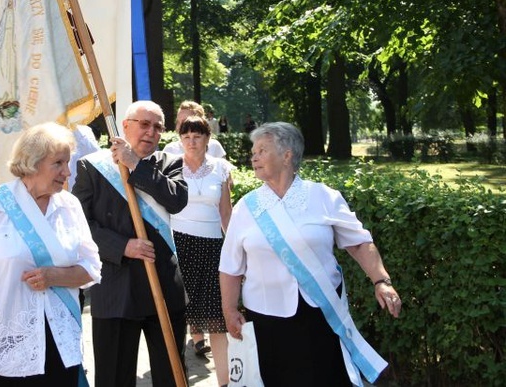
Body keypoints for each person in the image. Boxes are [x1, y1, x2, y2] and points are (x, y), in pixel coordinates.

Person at [220, 122, 401, 386]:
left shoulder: (324, 197)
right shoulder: (246, 208)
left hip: (320, 316)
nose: (254, 157)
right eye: (253, 151)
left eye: (262, 150)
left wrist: (381, 281)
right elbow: (230, 266)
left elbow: (360, 243)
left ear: (287, 155)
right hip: (266, 319)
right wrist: (228, 309)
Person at [0, 122, 102, 385]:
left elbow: (92, 267)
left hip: (59, 344)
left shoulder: (69, 205)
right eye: (59, 163)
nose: (67, 171)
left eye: (68, 162)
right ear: (33, 162)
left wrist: (55, 276)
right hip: (5, 346)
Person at [72, 100, 188, 387]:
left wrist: (135, 164)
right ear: (125, 126)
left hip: (162, 285)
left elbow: (176, 200)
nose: (151, 132)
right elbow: (78, 224)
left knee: (171, 375)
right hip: (115, 287)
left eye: (158, 127)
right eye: (144, 124)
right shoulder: (93, 167)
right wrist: (121, 246)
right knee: (114, 377)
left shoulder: (169, 164)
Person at [169, 116, 233, 387]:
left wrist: (234, 250)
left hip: (212, 249)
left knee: (217, 320)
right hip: (178, 248)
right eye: (186, 136)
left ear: (208, 139)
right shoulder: (169, 167)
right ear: (180, 139)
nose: (191, 141)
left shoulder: (221, 168)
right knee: (176, 319)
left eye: (197, 136)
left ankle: (225, 382)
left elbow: (226, 212)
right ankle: (176, 379)